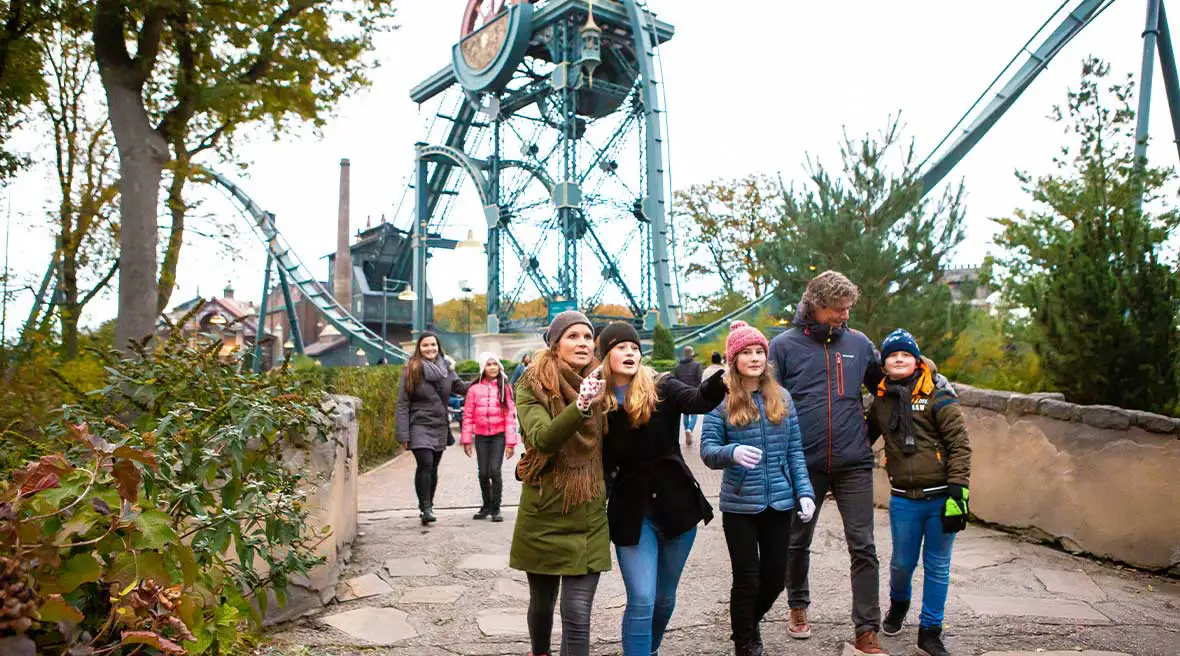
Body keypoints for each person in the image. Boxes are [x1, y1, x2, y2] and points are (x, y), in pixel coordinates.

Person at [767, 270, 889, 655]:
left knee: (864, 545)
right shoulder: (783, 346)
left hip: (854, 462)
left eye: (848, 308)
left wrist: (867, 434)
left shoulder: (859, 343)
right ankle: (798, 606)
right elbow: (769, 402)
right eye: (837, 310)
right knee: (796, 540)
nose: (844, 316)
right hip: (803, 461)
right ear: (815, 305)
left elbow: (884, 390)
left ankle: (866, 629)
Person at [597, 322, 726, 656]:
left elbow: (698, 400)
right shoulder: (596, 398)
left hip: (677, 505)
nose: (629, 352)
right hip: (631, 510)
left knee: (664, 598)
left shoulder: (662, 386)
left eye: (634, 347)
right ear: (606, 355)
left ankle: (649, 650)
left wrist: (720, 381)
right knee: (642, 598)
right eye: (620, 347)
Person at [701, 321, 817, 656]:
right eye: (746, 353)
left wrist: (804, 492)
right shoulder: (720, 401)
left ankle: (745, 626)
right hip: (740, 505)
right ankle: (746, 643)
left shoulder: (782, 398)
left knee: (775, 578)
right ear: (733, 358)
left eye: (759, 352)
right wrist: (731, 453)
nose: (754, 358)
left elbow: (795, 451)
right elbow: (708, 451)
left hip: (779, 503)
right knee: (747, 578)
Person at [510, 311, 609, 656]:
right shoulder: (530, 385)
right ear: (555, 344)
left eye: (587, 336)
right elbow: (542, 439)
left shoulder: (606, 381)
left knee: (578, 612)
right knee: (542, 604)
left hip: (589, 511)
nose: (582, 343)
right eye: (573, 336)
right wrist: (581, 404)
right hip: (545, 510)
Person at [868, 330, 971, 656]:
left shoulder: (939, 395)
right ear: (884, 364)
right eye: (892, 355)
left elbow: (960, 445)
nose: (899, 359)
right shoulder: (881, 402)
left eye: (906, 355)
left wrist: (959, 490)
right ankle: (899, 604)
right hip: (903, 499)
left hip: (942, 496)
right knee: (901, 563)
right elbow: (861, 438)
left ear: (917, 360)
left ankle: (930, 631)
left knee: (938, 566)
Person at [396, 332, 470, 526]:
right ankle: (425, 507)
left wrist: (484, 380)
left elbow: (460, 387)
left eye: (433, 345)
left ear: (438, 347)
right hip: (419, 424)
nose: (430, 349)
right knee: (426, 464)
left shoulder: (446, 369)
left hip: (439, 425)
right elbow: (402, 403)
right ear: (419, 349)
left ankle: (428, 504)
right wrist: (402, 433)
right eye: (425, 345)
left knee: (433, 467)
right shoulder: (412, 369)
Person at [461, 352, 519, 522]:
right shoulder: (473, 390)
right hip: (481, 436)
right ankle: (486, 505)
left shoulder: (504, 388)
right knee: (483, 473)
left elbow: (510, 415)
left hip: (499, 436)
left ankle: (496, 508)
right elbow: (468, 415)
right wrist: (466, 440)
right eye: (488, 364)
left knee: (495, 470)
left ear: (499, 366)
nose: (492, 367)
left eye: (495, 364)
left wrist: (511, 443)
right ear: (483, 368)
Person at [671, 345, 704, 445]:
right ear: (692, 353)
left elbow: (674, 379)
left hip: (681, 392)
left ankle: (686, 430)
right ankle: (689, 429)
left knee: (685, 413)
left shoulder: (678, 366)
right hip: (694, 391)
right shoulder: (697, 365)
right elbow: (699, 378)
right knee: (694, 413)